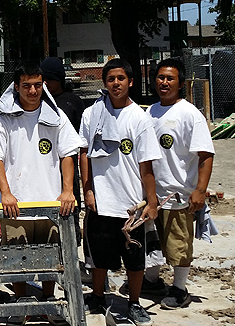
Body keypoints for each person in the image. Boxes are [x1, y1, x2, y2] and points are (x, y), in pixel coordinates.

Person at [0, 63, 83, 323]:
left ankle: (49, 299)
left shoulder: (56, 117)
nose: (33, 90)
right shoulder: (3, 119)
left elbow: (68, 154)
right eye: (26, 85)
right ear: (16, 87)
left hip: (50, 199)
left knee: (51, 256)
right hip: (14, 202)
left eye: (37, 85)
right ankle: (22, 302)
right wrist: (6, 193)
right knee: (16, 257)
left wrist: (67, 190)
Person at [79, 59, 161, 325]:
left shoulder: (140, 118)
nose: (116, 83)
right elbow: (83, 153)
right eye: (111, 79)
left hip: (130, 203)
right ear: (104, 83)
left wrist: (151, 200)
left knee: (135, 258)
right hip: (101, 199)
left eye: (121, 79)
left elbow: (145, 162)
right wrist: (88, 189)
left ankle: (134, 303)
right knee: (98, 255)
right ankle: (98, 295)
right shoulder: (91, 114)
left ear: (131, 82)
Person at [144, 59, 214, 309]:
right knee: (153, 241)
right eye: (160, 78)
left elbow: (205, 155)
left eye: (170, 79)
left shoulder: (190, 114)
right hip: (153, 193)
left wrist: (200, 191)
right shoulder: (150, 112)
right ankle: (150, 282)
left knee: (178, 245)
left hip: (179, 194)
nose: (164, 83)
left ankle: (180, 288)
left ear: (180, 84)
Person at [40, 57, 86, 245]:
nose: (46, 84)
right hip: (45, 164)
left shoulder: (72, 102)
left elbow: (81, 137)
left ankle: (72, 249)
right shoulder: (38, 101)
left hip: (68, 163)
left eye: (50, 80)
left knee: (69, 207)